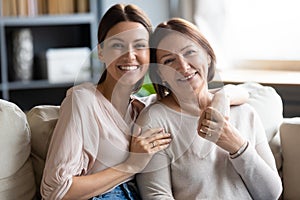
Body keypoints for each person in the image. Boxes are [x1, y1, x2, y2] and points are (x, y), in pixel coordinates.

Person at [135, 18, 283, 200]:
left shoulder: (244, 112)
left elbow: (272, 194)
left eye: (189, 52)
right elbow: (156, 195)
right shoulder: (155, 120)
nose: (182, 66)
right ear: (160, 75)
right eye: (169, 61)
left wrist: (237, 146)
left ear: (207, 55)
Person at [40, 4, 173, 200]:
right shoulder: (83, 100)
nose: (129, 55)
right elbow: (55, 190)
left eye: (139, 45)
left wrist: (224, 97)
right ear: (101, 52)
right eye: (117, 45)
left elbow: (205, 95)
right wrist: (131, 166)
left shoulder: (144, 109)